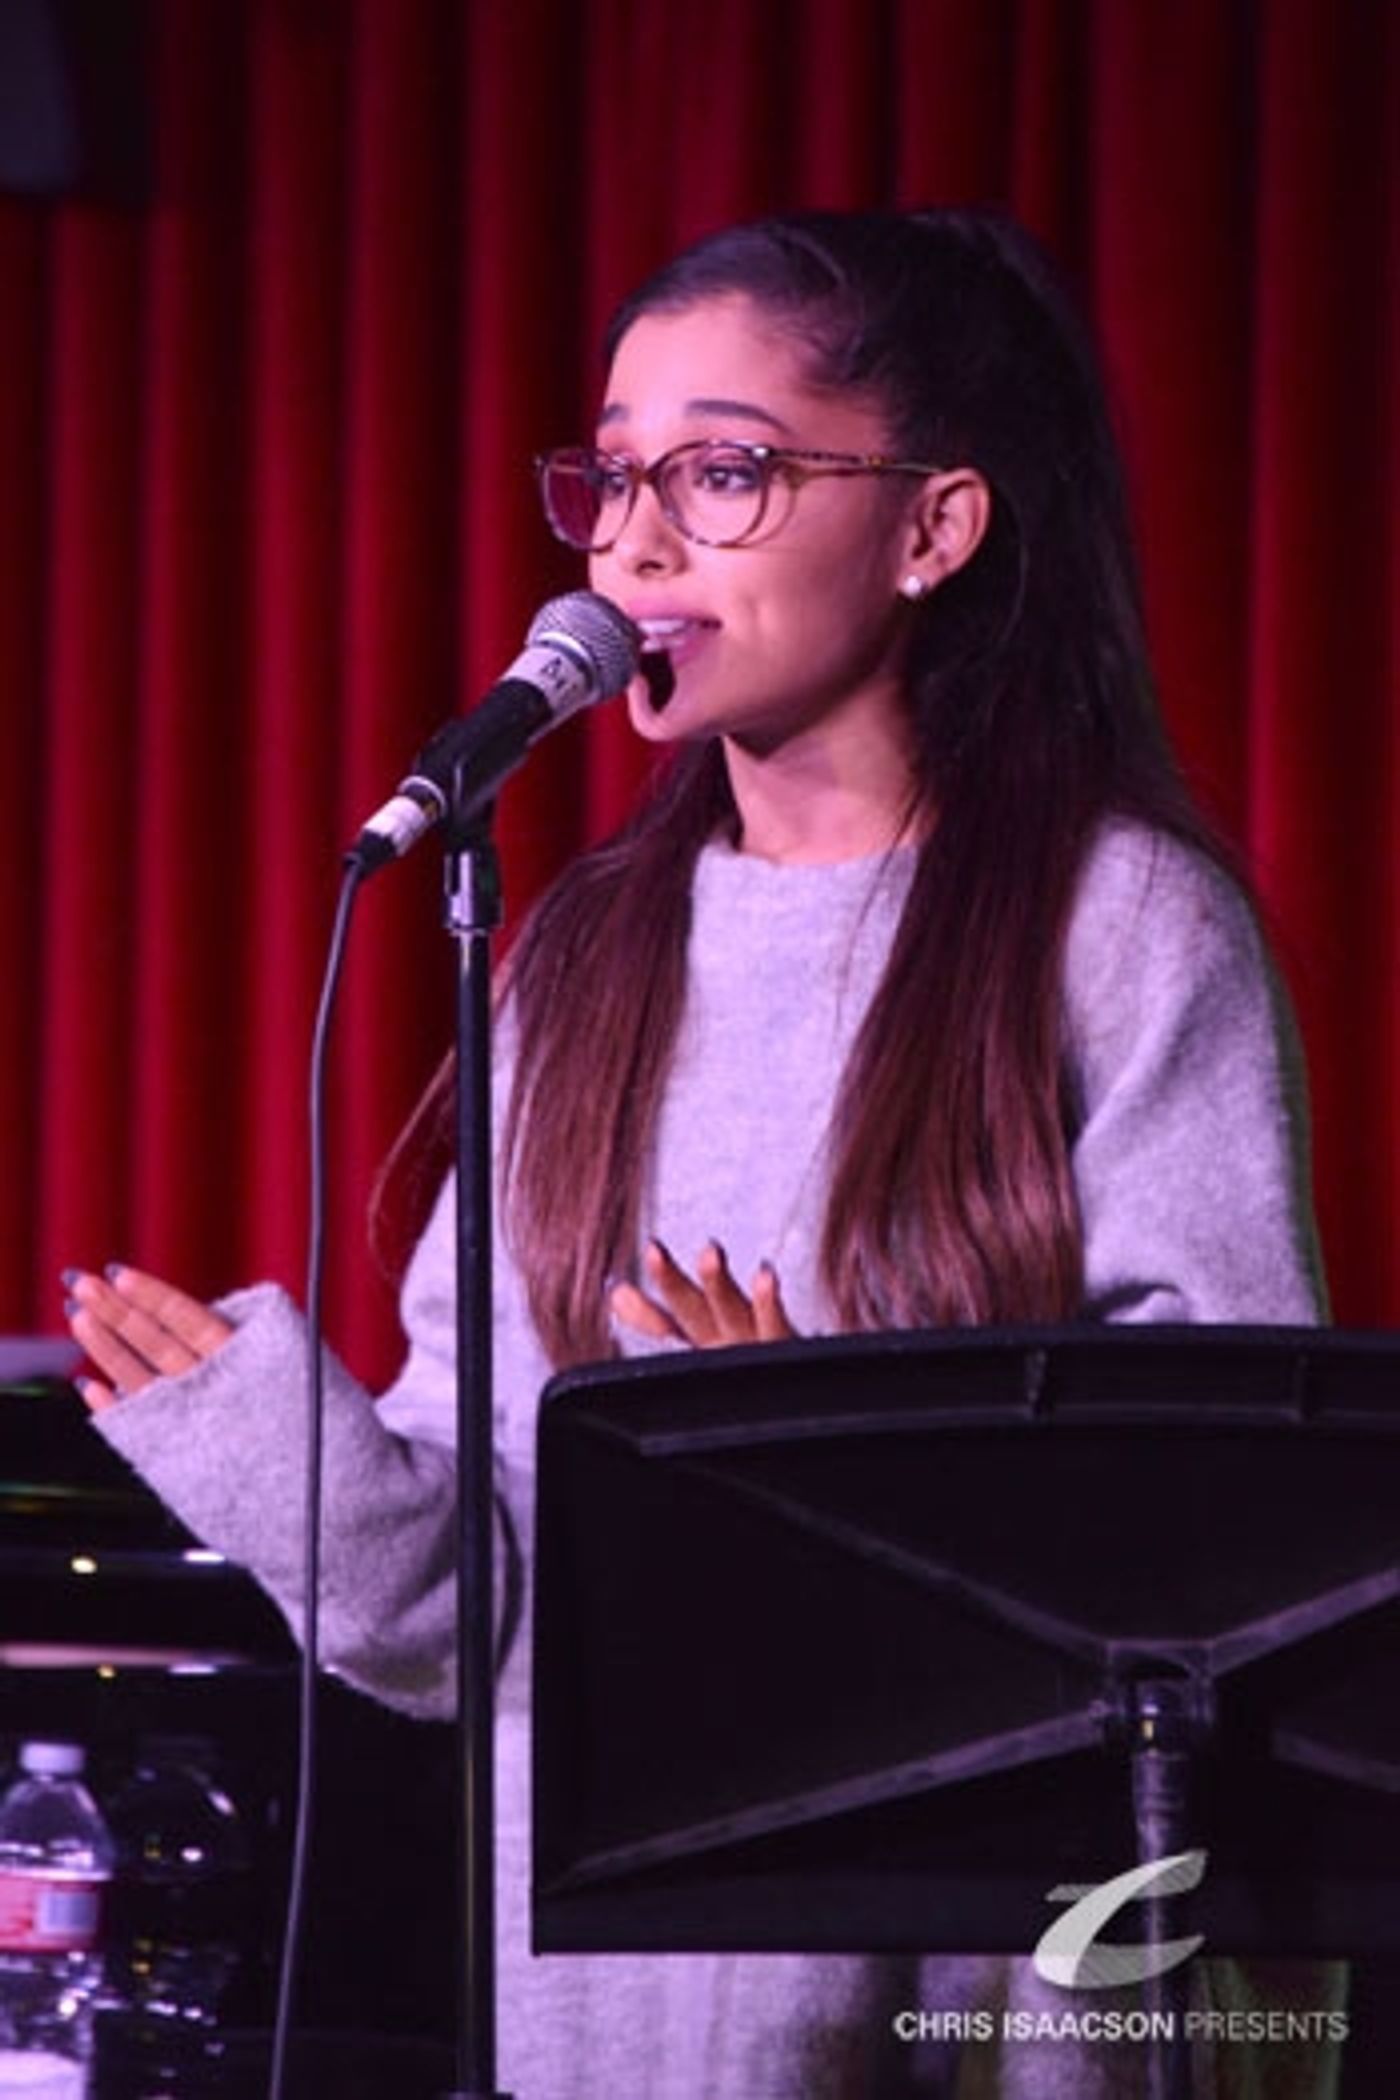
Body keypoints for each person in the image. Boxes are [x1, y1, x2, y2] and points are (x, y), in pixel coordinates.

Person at [62, 210, 1336, 2097]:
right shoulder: (582, 958)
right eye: (614, 475)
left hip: (1001, 2009)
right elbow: (470, 1618)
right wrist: (275, 1455)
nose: (632, 545)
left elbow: (1229, 1564)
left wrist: (824, 1474)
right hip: (624, 2031)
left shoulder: (1120, 928)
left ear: (934, 527)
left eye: (723, 473)